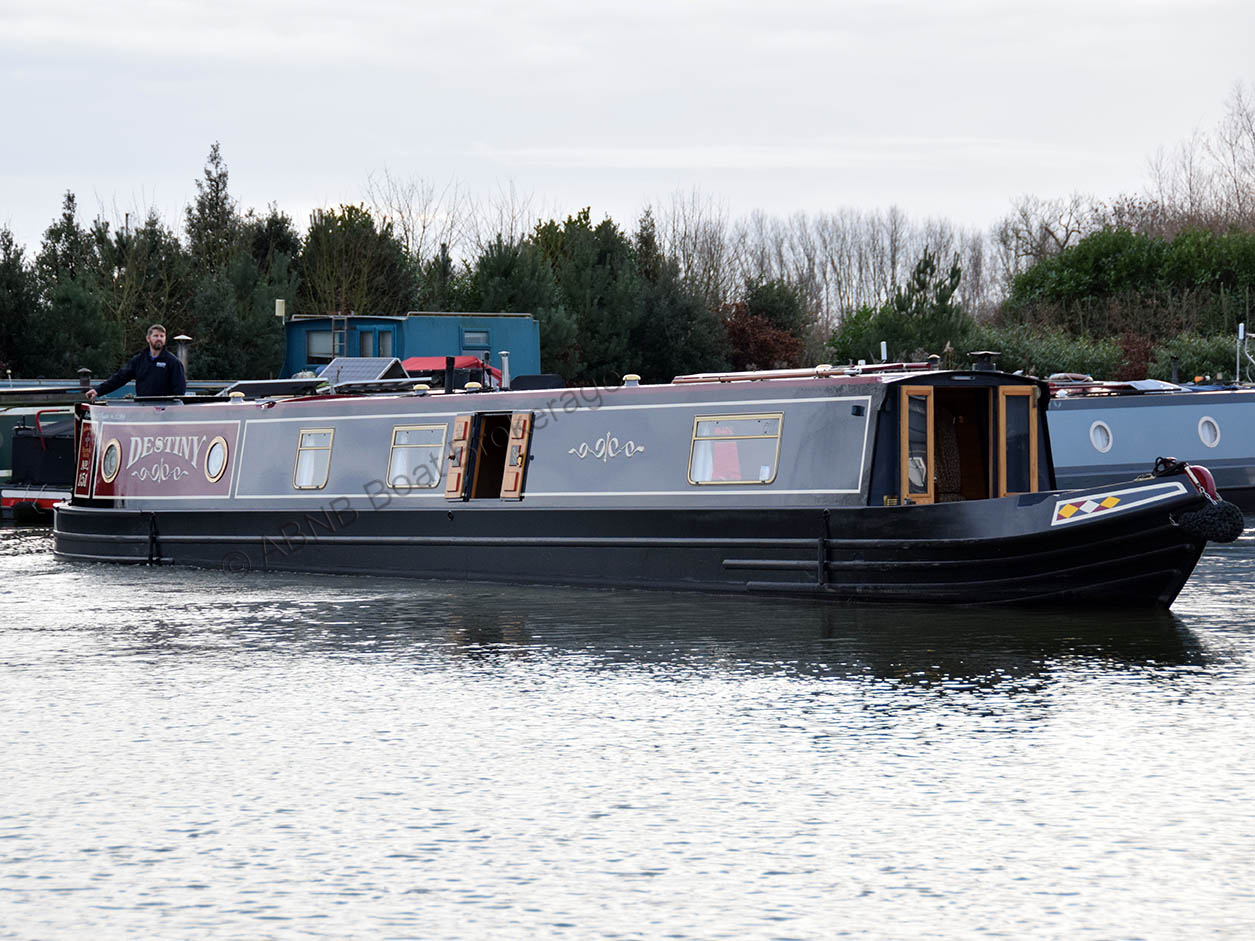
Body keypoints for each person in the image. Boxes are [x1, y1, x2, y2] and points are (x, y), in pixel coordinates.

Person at [86, 324, 187, 400]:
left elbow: (179, 392)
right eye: (156, 336)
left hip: (164, 414)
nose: (159, 339)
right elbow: (119, 378)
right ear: (148, 338)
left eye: (162, 336)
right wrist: (98, 390)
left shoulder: (173, 362)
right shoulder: (139, 360)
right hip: (143, 411)